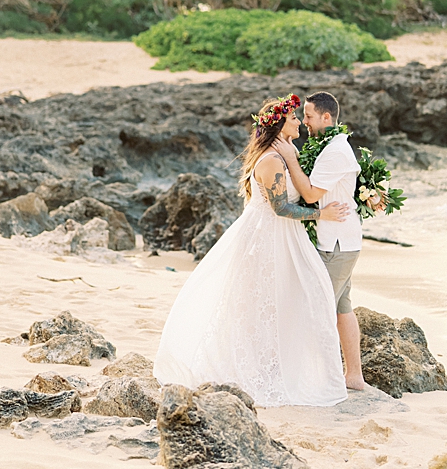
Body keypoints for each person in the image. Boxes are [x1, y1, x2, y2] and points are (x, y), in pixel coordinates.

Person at [154, 94, 352, 407]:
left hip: (281, 238)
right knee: (266, 303)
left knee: (281, 302)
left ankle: (278, 364)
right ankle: (264, 369)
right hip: (269, 238)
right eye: (294, 119)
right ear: (281, 126)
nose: (299, 121)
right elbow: (281, 208)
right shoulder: (272, 160)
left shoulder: (281, 154)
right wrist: (321, 214)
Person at [270, 91, 369, 391]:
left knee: (318, 309)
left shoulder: (335, 151)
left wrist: (289, 157)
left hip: (336, 244)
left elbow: (312, 194)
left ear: (327, 117)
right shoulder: (332, 146)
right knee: (341, 306)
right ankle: (353, 375)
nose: (305, 122)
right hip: (342, 241)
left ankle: (322, 379)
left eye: (309, 116)